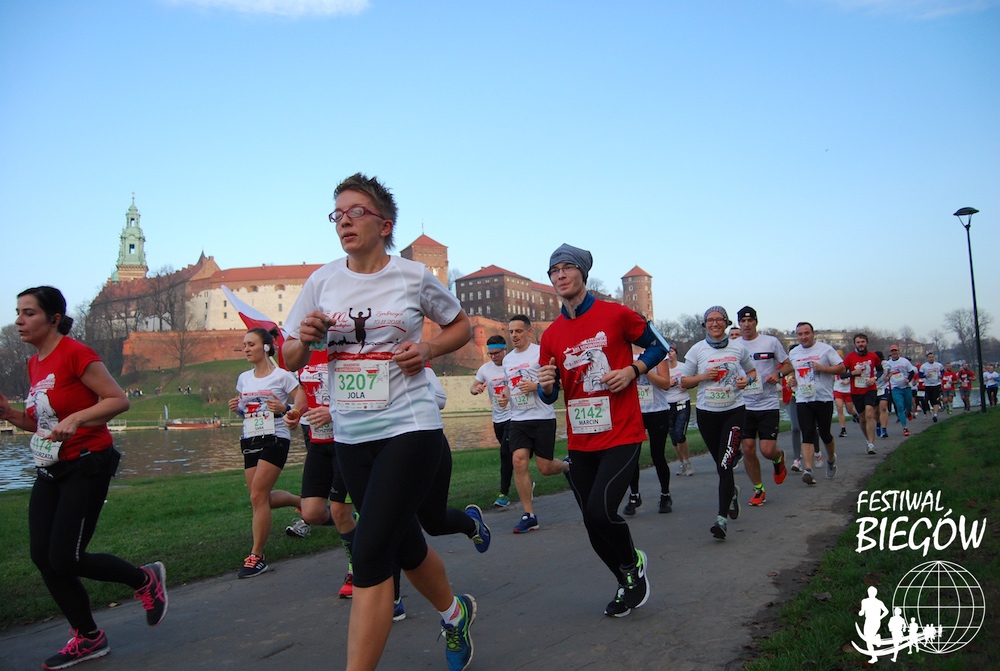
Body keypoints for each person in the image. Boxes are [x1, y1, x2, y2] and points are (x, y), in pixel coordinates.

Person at [282, 173, 476, 671]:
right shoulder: (322, 281)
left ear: (384, 225)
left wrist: (428, 348)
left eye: (356, 212)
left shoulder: (413, 276)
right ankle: (455, 614)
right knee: (405, 545)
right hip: (351, 436)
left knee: (369, 556)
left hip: (410, 427)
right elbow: (288, 356)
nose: (343, 221)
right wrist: (305, 338)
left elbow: (461, 326)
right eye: (337, 214)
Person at [0, 286, 167, 670]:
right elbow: (42, 424)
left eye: (28, 313)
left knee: (66, 556)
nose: (19, 321)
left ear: (54, 318)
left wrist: (77, 418)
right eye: (18, 312)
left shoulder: (76, 353)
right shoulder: (34, 364)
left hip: (87, 463)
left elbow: (118, 400)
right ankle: (88, 636)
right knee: (43, 557)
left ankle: (144, 579)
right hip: (51, 468)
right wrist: (9, 415)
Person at [536, 243, 665, 617]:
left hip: (622, 433)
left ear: (583, 273)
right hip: (581, 440)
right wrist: (547, 387)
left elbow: (659, 346)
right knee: (592, 525)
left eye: (567, 267)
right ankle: (627, 579)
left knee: (599, 513)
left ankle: (632, 563)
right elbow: (549, 394)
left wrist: (633, 371)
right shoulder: (551, 334)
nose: (560, 275)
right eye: (554, 270)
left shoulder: (616, 314)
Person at [228, 327, 303, 578]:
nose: (246, 349)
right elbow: (246, 410)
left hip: (275, 438)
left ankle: (257, 556)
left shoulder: (283, 376)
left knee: (258, 495)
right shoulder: (243, 378)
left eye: (251, 344)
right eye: (244, 345)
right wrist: (237, 408)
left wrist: (286, 408)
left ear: (266, 347)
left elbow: (301, 401)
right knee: (259, 498)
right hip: (251, 437)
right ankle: (300, 502)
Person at [283, 349, 357, 600]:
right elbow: (304, 389)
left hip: (346, 443)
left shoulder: (347, 348)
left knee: (339, 510)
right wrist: (295, 412)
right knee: (312, 513)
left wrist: (333, 412)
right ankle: (354, 522)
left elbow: (366, 397)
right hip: (318, 442)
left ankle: (355, 569)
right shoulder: (306, 352)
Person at [679, 306, 756, 540]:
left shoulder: (738, 347)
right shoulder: (697, 350)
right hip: (707, 414)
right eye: (710, 320)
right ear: (705, 324)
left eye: (719, 319)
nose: (715, 323)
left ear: (726, 322)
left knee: (725, 464)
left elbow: (752, 372)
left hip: (734, 411)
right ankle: (731, 492)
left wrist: (746, 380)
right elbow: (684, 381)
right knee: (721, 464)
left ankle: (721, 519)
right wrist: (703, 376)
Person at [503, 314, 567, 534]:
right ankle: (529, 515)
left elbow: (556, 383)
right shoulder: (507, 360)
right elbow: (510, 385)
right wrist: (505, 396)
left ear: (529, 332)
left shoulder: (541, 353)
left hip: (542, 417)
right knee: (518, 461)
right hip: (518, 419)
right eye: (511, 332)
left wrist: (536, 386)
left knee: (545, 468)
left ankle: (567, 466)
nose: (514, 335)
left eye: (519, 331)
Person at [734, 307, 789, 507]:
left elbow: (788, 364)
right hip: (744, 404)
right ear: (739, 323)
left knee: (766, 450)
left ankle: (779, 458)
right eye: (743, 321)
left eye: (750, 321)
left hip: (768, 403)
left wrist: (778, 374)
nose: (746, 324)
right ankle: (758, 489)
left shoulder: (770, 342)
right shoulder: (734, 346)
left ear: (756, 322)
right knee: (748, 449)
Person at [780, 322, 846, 485]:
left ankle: (831, 459)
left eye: (806, 333)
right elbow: (793, 371)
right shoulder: (794, 353)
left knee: (825, 434)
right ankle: (808, 470)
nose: (803, 337)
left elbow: (842, 369)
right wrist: (793, 380)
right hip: (803, 398)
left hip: (823, 398)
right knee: (807, 433)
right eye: (800, 334)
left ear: (813, 334)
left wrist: (823, 368)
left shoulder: (825, 349)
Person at [624, 347, 674, 515]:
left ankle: (665, 495)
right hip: (633, 412)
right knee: (631, 456)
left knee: (657, 455)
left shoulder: (656, 352)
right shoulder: (623, 352)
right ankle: (634, 495)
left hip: (657, 411)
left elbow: (666, 384)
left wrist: (643, 369)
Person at [471, 335, 514, 507]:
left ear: (505, 350)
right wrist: (476, 389)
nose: (494, 357)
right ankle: (525, 481)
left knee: (505, 453)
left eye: (497, 353)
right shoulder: (485, 369)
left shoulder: (512, 364)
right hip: (498, 418)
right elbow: (472, 387)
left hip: (514, 416)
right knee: (513, 456)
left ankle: (503, 494)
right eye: (491, 354)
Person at [842, 333, 882, 454]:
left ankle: (871, 444)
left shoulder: (873, 356)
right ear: (855, 344)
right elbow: (841, 374)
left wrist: (874, 378)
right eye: (858, 342)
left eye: (863, 342)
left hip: (870, 389)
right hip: (856, 391)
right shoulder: (849, 357)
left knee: (869, 413)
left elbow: (880, 370)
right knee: (862, 418)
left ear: (866, 343)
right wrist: (852, 373)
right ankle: (867, 439)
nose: (861, 344)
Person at [663, 345, 694, 477]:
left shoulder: (683, 367)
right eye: (666, 352)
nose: (669, 354)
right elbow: (657, 385)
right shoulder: (661, 369)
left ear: (676, 353)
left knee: (680, 434)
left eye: (671, 351)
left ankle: (687, 462)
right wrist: (666, 384)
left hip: (682, 402)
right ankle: (682, 463)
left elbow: (693, 380)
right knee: (674, 438)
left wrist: (685, 385)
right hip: (667, 405)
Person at [883, 345, 918, 436]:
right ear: (890, 353)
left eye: (895, 350)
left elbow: (911, 371)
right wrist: (887, 378)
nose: (894, 352)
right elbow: (885, 374)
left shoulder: (904, 361)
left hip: (906, 387)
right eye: (892, 351)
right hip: (895, 388)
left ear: (898, 351)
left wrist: (908, 380)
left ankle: (909, 412)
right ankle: (905, 428)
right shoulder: (888, 364)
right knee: (899, 406)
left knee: (908, 405)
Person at [919, 352, 944, 422]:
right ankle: (933, 410)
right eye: (929, 357)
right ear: (927, 358)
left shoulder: (939, 365)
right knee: (929, 400)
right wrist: (925, 376)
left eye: (932, 357)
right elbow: (920, 375)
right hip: (928, 385)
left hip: (937, 384)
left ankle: (935, 415)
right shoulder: (924, 366)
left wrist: (941, 376)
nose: (931, 358)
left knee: (936, 399)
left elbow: (943, 371)